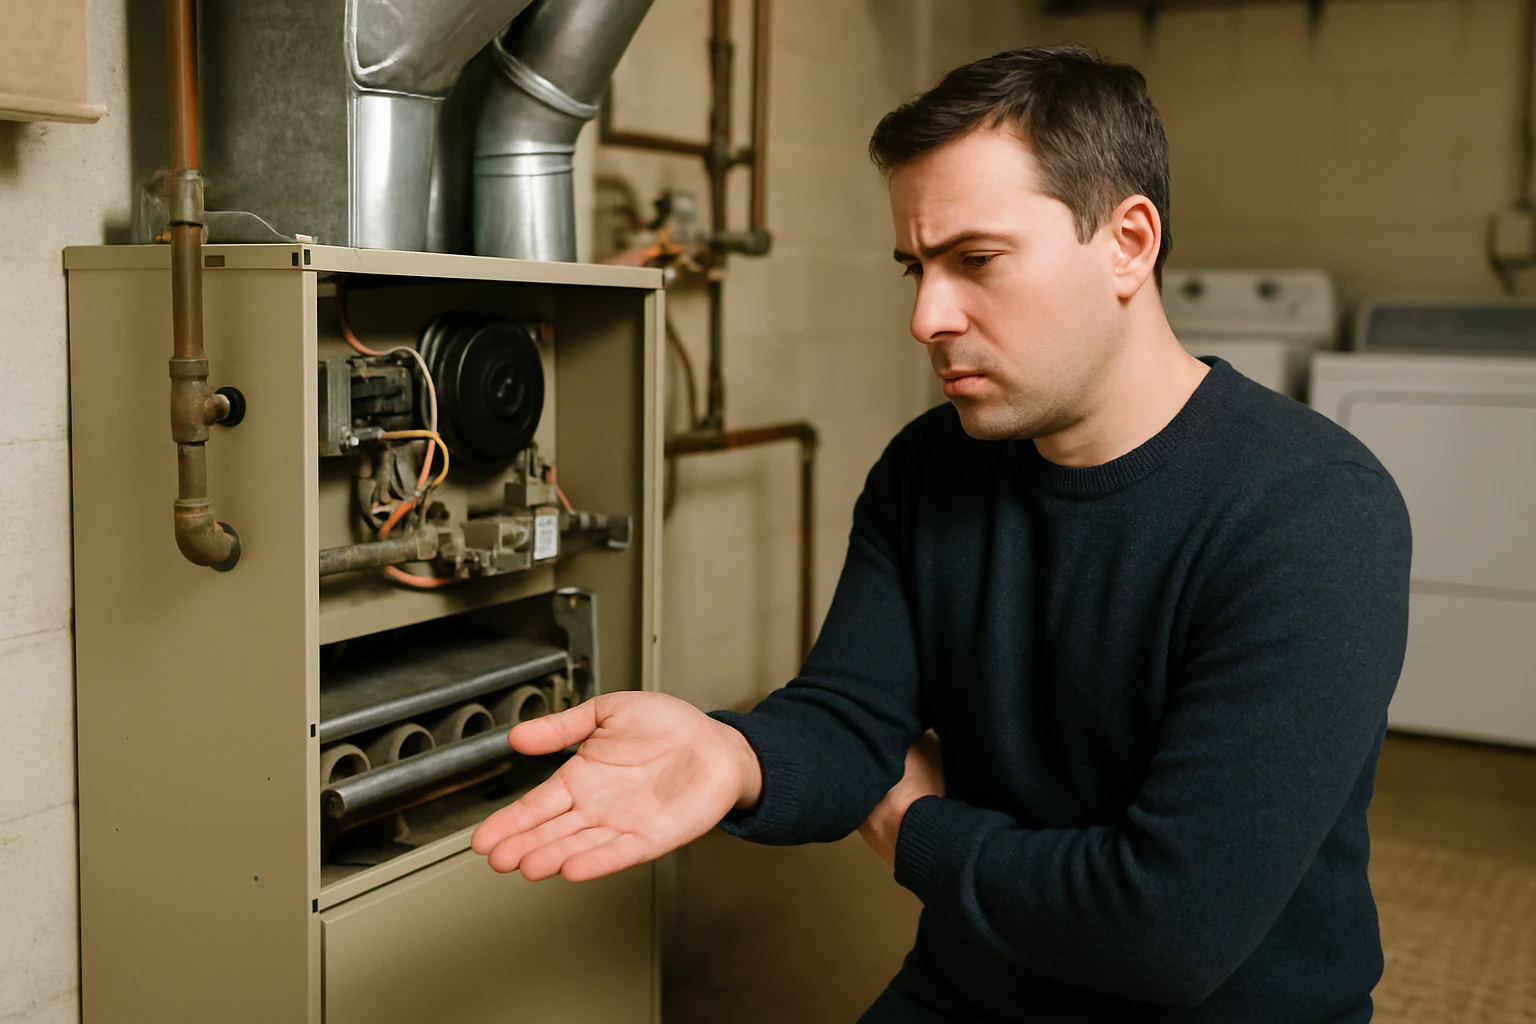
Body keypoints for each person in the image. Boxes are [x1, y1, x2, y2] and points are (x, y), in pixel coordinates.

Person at [471, 45, 1412, 1024]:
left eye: (977, 261)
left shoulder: (1311, 512)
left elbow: (1168, 930)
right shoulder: (931, 467)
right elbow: (850, 713)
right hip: (976, 984)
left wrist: (915, 826)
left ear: (1129, 242)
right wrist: (734, 754)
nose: (926, 316)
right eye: (915, 267)